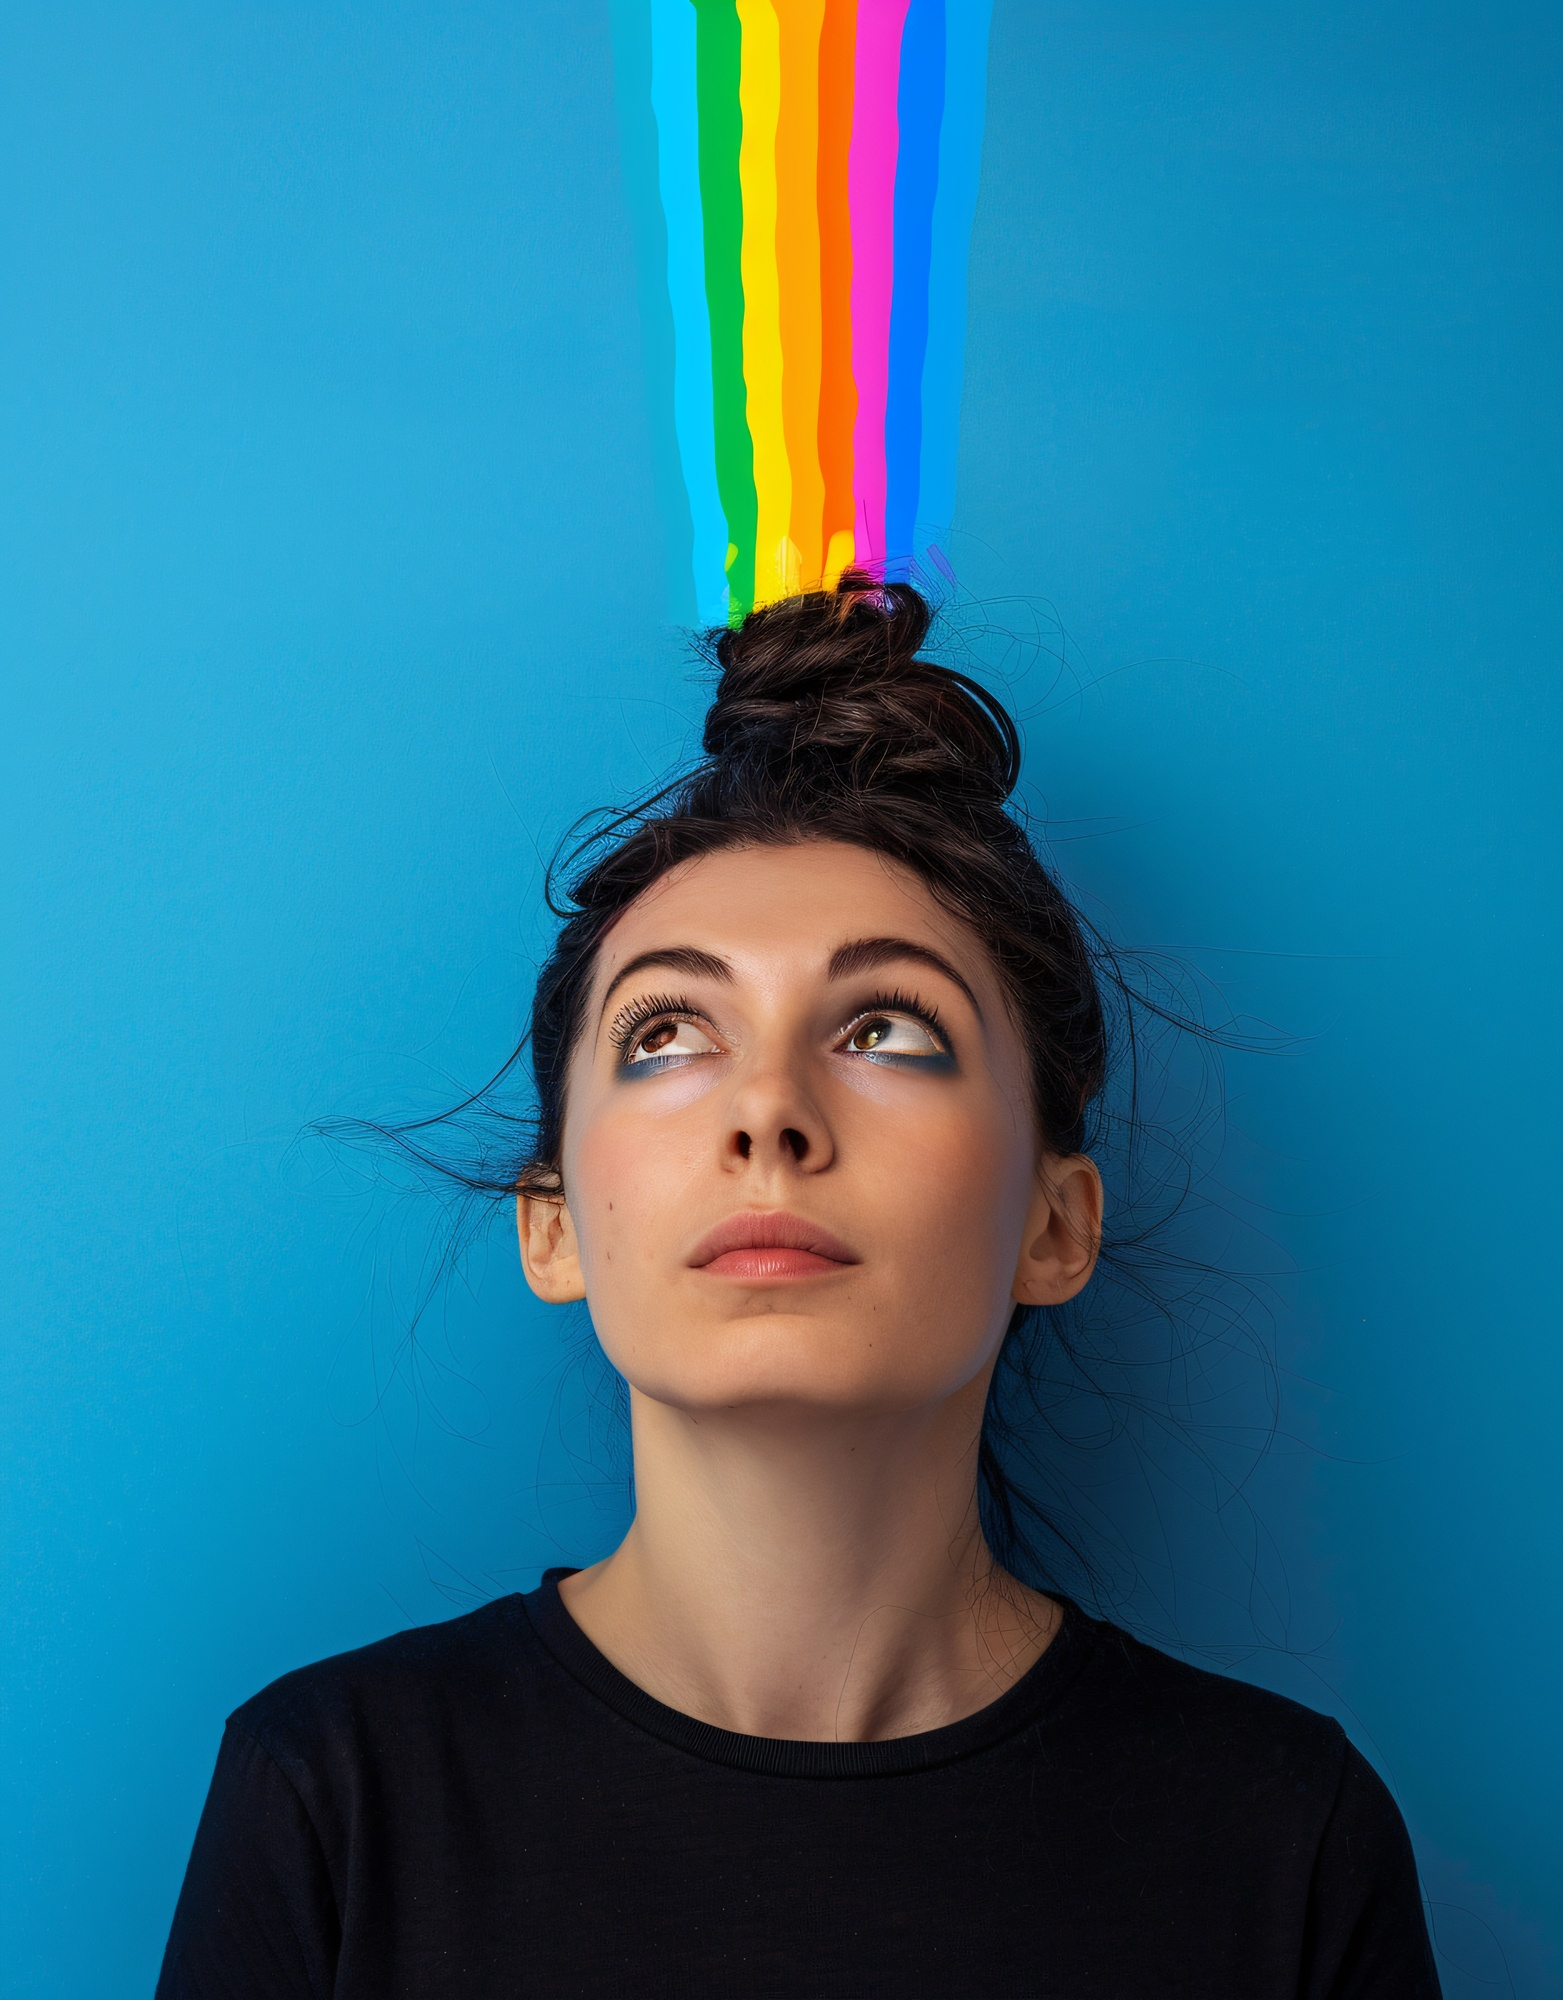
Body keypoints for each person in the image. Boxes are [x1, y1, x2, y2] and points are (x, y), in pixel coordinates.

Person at [156, 579, 1442, 1997]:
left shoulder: (1286, 1842)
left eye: (887, 1030)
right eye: (666, 1034)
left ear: (1054, 1223)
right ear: (553, 1224)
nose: (768, 1111)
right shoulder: (330, 1803)